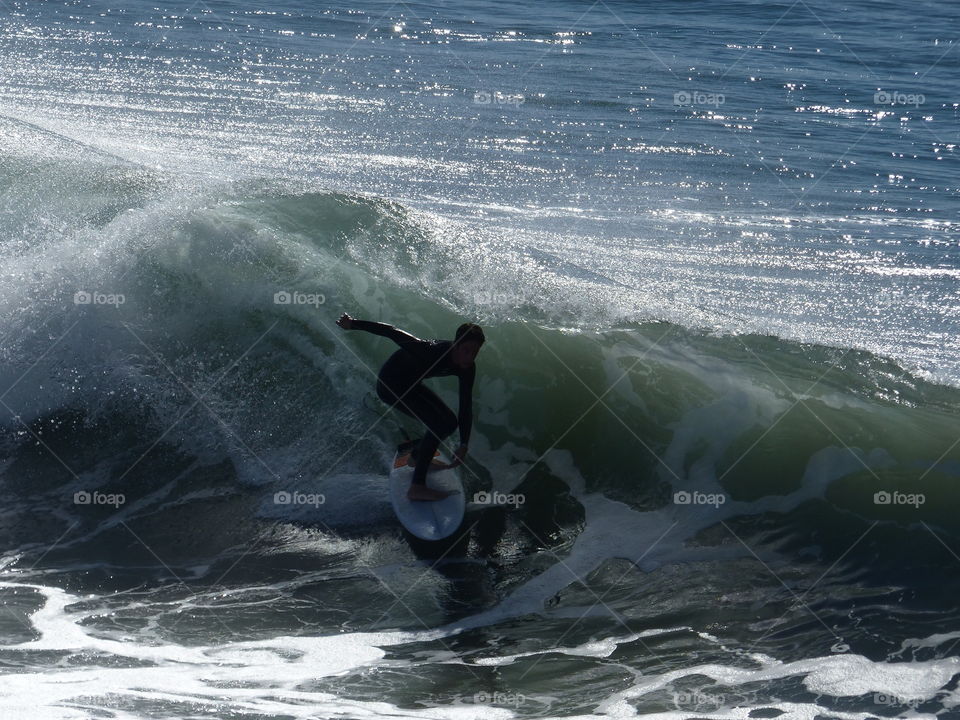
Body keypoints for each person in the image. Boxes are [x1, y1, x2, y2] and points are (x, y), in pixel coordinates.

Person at [336, 313, 485, 501]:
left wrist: (464, 444)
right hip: (390, 386)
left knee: (449, 422)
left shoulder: (468, 367)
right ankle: (417, 487)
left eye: (475, 352)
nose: (470, 357)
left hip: (412, 386)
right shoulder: (430, 350)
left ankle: (416, 458)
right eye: (466, 350)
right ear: (456, 345)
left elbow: (466, 405)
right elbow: (391, 331)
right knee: (439, 424)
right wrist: (353, 324)